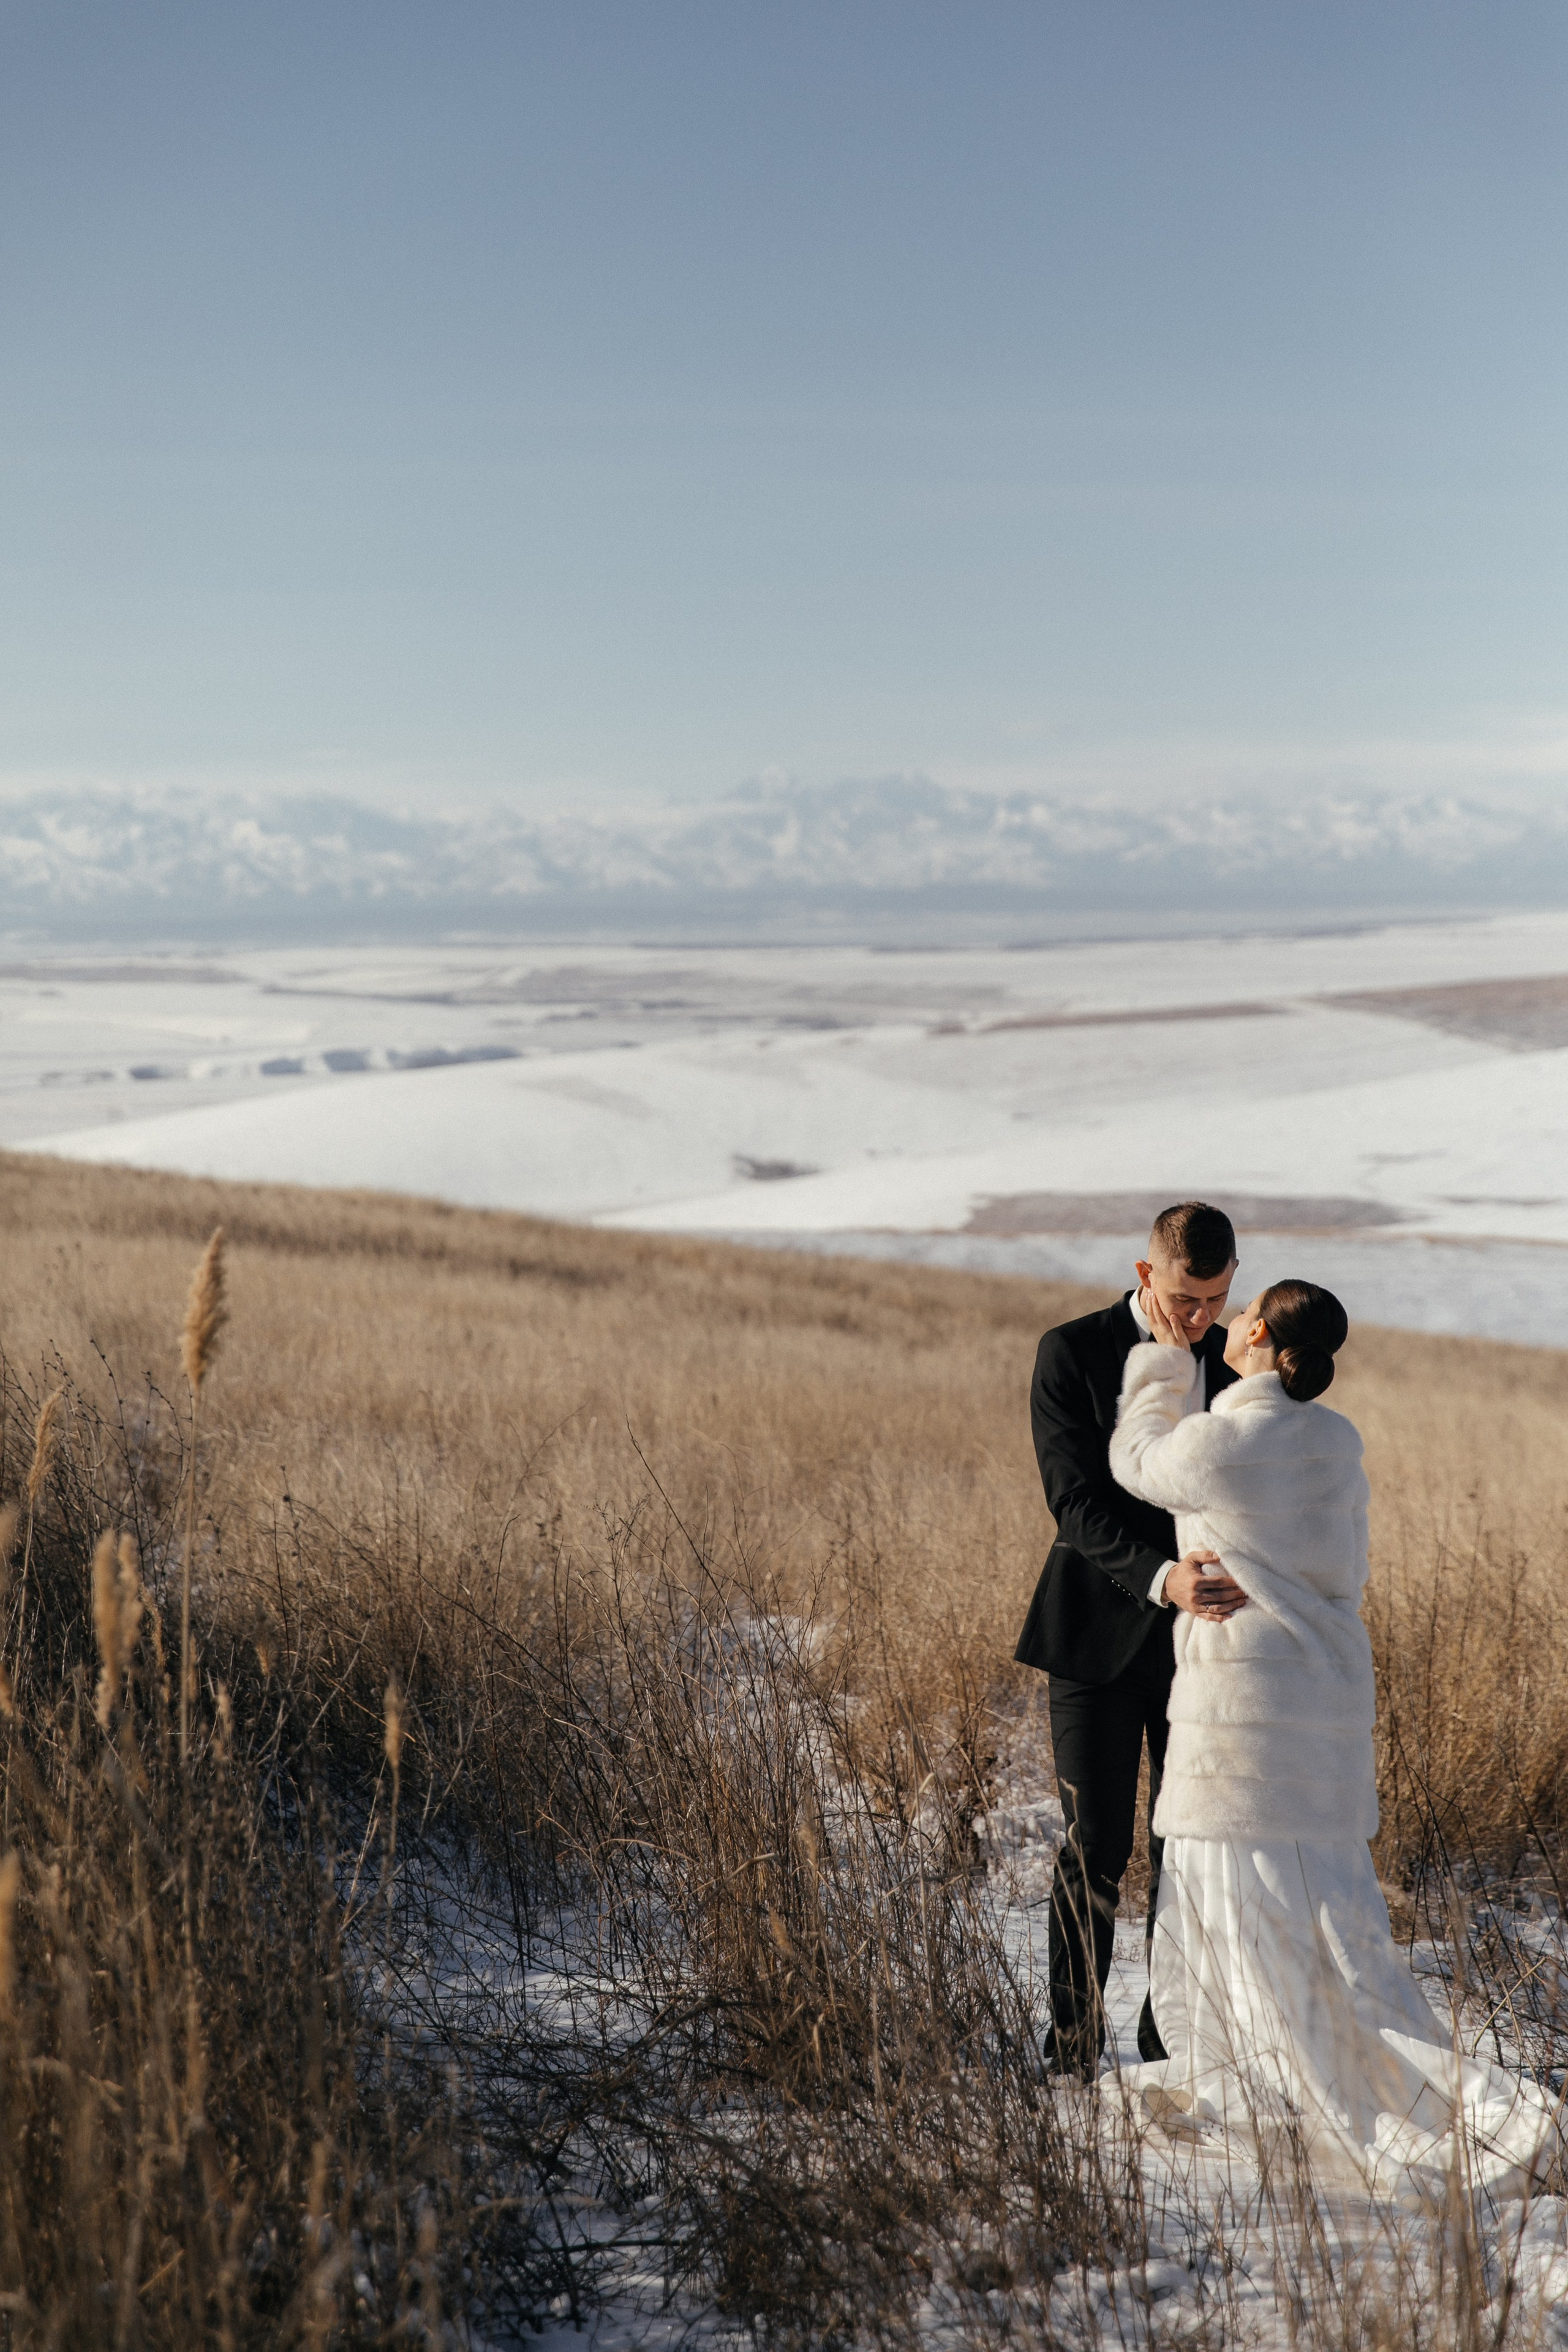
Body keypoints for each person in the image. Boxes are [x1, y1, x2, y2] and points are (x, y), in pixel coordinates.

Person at [1109, 1278, 1559, 2192]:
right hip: (1323, 1707)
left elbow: (1135, 1460)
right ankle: (1317, 2068)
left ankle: (1258, 2076)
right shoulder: (1337, 1440)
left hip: (1241, 1721)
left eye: (1240, 1316)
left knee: (1236, 1908)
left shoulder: (1225, 1439)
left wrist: (1159, 1359)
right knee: (1330, 1920)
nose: (1226, 1324)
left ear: (1262, 1332)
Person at [1014, 1201, 1248, 2078]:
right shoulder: (1069, 1351)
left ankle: (1163, 2046)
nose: (1200, 1321)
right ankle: (1071, 2048)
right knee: (1094, 1848)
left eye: (1217, 1301)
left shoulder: (1231, 1367)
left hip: (1205, 1651)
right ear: (1148, 1275)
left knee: (1185, 1849)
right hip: (1094, 1640)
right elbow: (1072, 1505)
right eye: (1187, 1300)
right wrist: (1163, 1576)